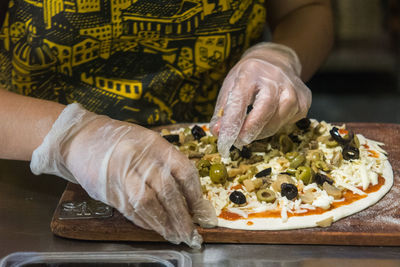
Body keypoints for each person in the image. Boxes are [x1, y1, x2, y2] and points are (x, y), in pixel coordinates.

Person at [0, 0, 333, 248]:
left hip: (229, 157)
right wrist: (67, 136)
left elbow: (305, 10)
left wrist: (279, 55)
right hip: (33, 183)